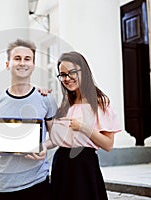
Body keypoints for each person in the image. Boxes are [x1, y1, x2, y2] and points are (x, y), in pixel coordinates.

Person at [0, 38, 58, 200]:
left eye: (27, 59)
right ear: (7, 64)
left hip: (37, 182)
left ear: (33, 66)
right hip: (3, 185)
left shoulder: (46, 99)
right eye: (17, 58)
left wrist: (43, 146)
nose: (22, 63)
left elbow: (56, 136)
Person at [45, 51, 121, 200]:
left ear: (83, 71)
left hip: (84, 166)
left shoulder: (99, 102)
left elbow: (108, 145)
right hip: (61, 163)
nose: (67, 78)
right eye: (63, 75)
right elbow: (56, 138)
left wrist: (84, 127)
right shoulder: (66, 103)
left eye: (72, 72)